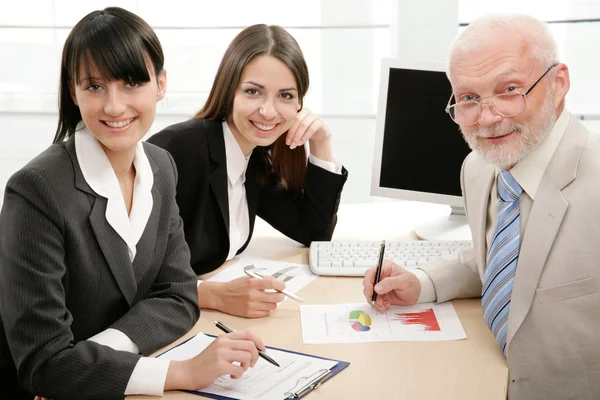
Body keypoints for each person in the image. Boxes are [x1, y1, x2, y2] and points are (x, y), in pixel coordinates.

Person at [0, 8, 268, 400]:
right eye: (93, 86)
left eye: (131, 83)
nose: (113, 106)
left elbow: (178, 294)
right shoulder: (36, 191)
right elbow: (44, 364)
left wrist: (92, 357)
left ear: (160, 84)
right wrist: (179, 372)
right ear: (73, 92)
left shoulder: (161, 167)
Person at [362, 13, 600, 399]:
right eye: (469, 98)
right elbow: (505, 260)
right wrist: (422, 282)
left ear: (558, 84)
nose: (487, 119)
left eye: (509, 89)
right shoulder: (478, 167)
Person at [148, 24, 348, 319]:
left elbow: (313, 231)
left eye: (286, 96)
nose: (269, 111)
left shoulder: (253, 157)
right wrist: (213, 295)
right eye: (253, 92)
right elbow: (129, 271)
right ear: (229, 91)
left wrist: (321, 142)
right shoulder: (178, 149)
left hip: (212, 319)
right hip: (171, 318)